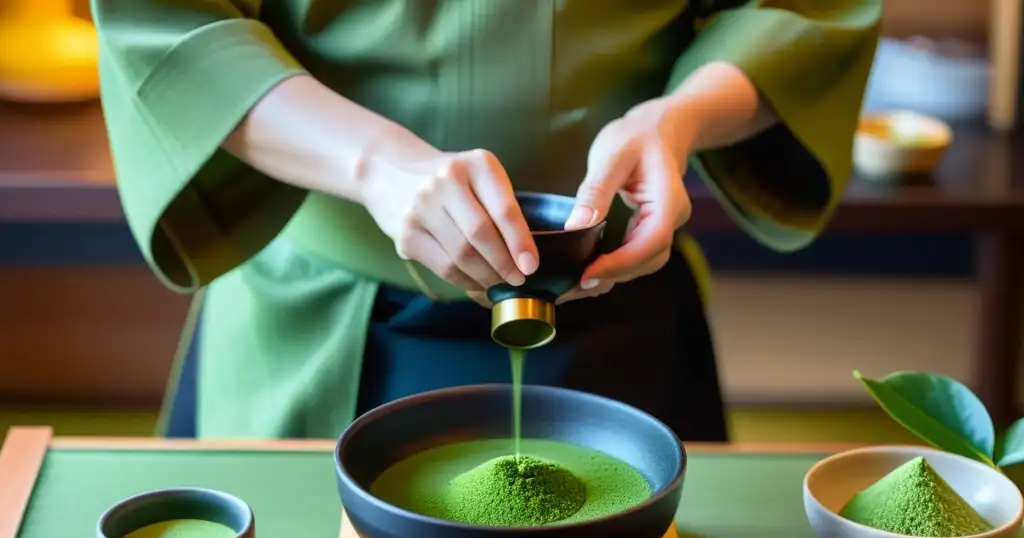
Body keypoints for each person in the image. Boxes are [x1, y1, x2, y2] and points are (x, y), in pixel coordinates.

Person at [90, 0, 882, 442]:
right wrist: (374, 163)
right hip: (315, 324)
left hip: (616, 305)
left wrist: (677, 119)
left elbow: (806, 10)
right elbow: (162, 17)